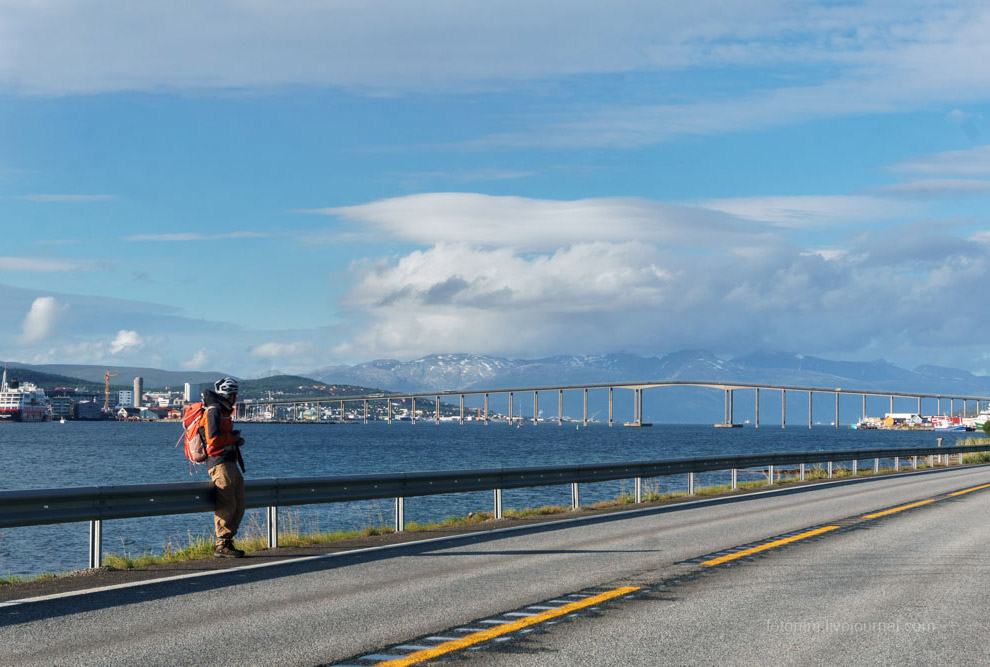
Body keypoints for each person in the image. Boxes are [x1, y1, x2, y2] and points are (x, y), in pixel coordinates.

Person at [202, 377, 246, 558]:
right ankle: (222, 544)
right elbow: (212, 439)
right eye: (234, 395)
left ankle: (228, 542)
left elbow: (223, 436)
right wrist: (232, 439)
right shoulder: (214, 412)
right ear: (229, 395)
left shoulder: (224, 411)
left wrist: (235, 441)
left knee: (239, 504)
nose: (236, 398)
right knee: (227, 504)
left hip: (230, 461)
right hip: (219, 463)